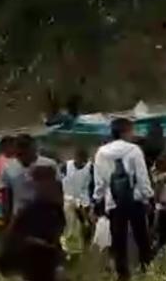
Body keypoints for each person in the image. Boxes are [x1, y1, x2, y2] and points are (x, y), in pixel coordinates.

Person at [92, 118, 154, 280]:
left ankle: (122, 273)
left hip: (113, 202)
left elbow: (100, 182)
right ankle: (146, 268)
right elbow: (142, 177)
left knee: (118, 239)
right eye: (131, 130)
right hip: (135, 200)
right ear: (125, 132)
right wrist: (148, 198)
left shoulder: (101, 153)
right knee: (142, 236)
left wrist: (97, 199)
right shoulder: (134, 150)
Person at [0, 166, 66, 281]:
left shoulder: (55, 208)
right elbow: (14, 238)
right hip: (32, 261)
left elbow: (58, 232)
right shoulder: (29, 211)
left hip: (48, 260)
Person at [0, 134, 58, 219]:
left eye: (26, 153)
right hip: (20, 217)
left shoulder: (48, 165)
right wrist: (6, 216)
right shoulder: (8, 168)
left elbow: (57, 192)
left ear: (33, 150)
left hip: (46, 216)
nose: (23, 158)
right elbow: (6, 195)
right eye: (19, 154)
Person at [61, 147, 93, 254]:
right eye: (78, 159)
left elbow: (93, 185)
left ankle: (86, 247)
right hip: (68, 198)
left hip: (84, 199)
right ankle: (69, 247)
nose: (80, 162)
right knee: (69, 225)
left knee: (86, 224)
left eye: (83, 161)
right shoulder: (66, 166)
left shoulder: (90, 168)